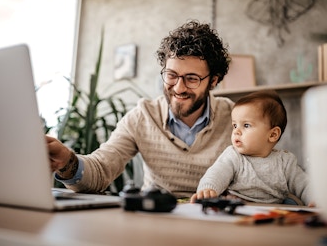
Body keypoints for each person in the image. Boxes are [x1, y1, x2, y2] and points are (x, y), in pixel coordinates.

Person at [46, 20, 234, 198]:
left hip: (214, 217)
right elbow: (102, 169)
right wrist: (66, 161)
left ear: (213, 81)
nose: (178, 88)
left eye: (192, 78)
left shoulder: (235, 119)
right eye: (171, 75)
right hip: (157, 217)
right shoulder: (143, 116)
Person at [190, 90, 314, 206]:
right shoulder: (233, 156)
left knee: (292, 204)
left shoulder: (285, 162)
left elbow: (304, 184)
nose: (236, 131)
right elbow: (217, 173)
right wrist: (208, 188)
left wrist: (315, 199)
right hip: (237, 206)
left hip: (273, 210)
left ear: (272, 134)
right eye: (234, 125)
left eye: (246, 125)